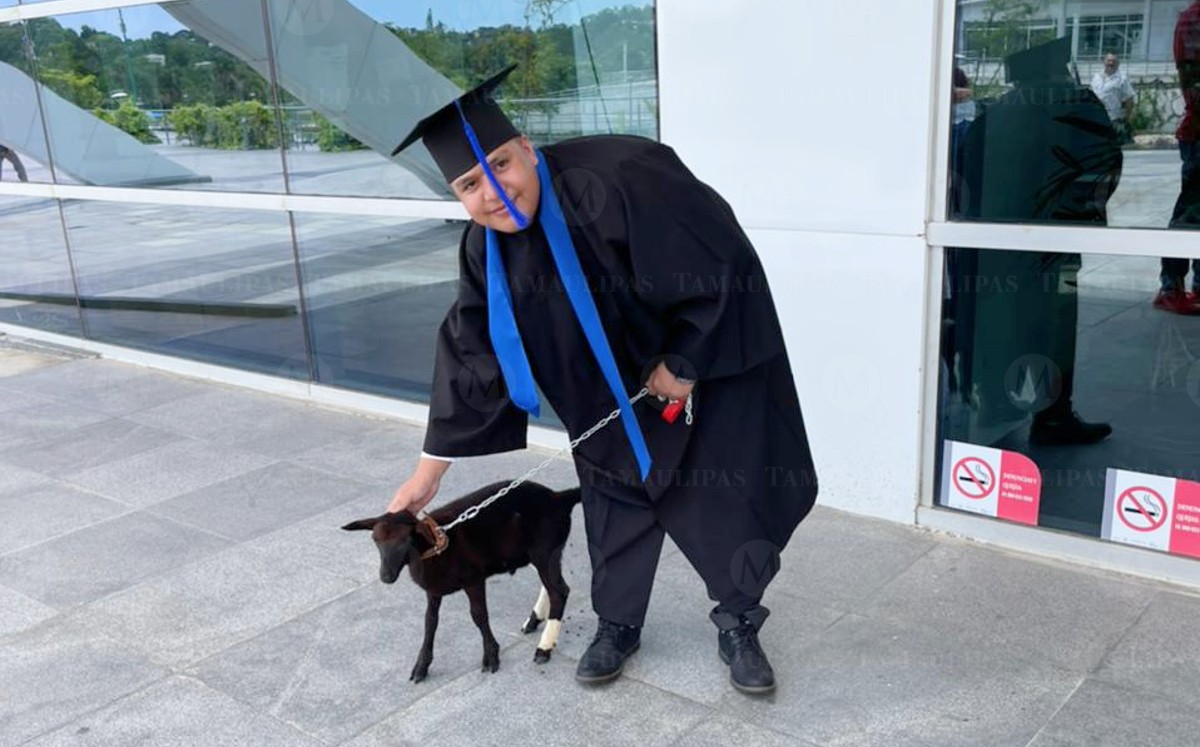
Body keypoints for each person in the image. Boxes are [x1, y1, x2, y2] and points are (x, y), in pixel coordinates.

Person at [384, 65, 818, 695]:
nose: (493, 194)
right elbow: (470, 351)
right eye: (470, 184)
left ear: (527, 148)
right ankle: (617, 624)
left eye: (502, 164)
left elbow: (724, 261)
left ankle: (739, 624)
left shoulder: (620, 177)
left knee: (722, 508)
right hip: (601, 409)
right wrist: (428, 477)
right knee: (615, 515)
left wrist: (686, 360)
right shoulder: (486, 249)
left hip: (693, 390)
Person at [957, 38, 1121, 446]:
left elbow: (966, 177)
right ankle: (1053, 415)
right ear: (1058, 67)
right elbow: (1105, 164)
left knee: (1001, 324)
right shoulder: (1077, 102)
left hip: (998, 247)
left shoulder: (996, 113)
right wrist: (1078, 218)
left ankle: (996, 401)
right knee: (1054, 329)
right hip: (1054, 246)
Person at [1156, 0, 1200, 315]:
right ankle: (1171, 287)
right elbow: (1193, 83)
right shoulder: (1193, 19)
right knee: (1191, 212)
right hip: (1199, 133)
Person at [1090, 53, 1136, 144]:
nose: (1111, 63)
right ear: (1104, 62)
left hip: (1113, 119)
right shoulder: (1096, 77)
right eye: (1109, 60)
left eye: (1114, 61)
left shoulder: (1122, 79)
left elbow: (1129, 98)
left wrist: (1127, 118)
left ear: (1118, 64)